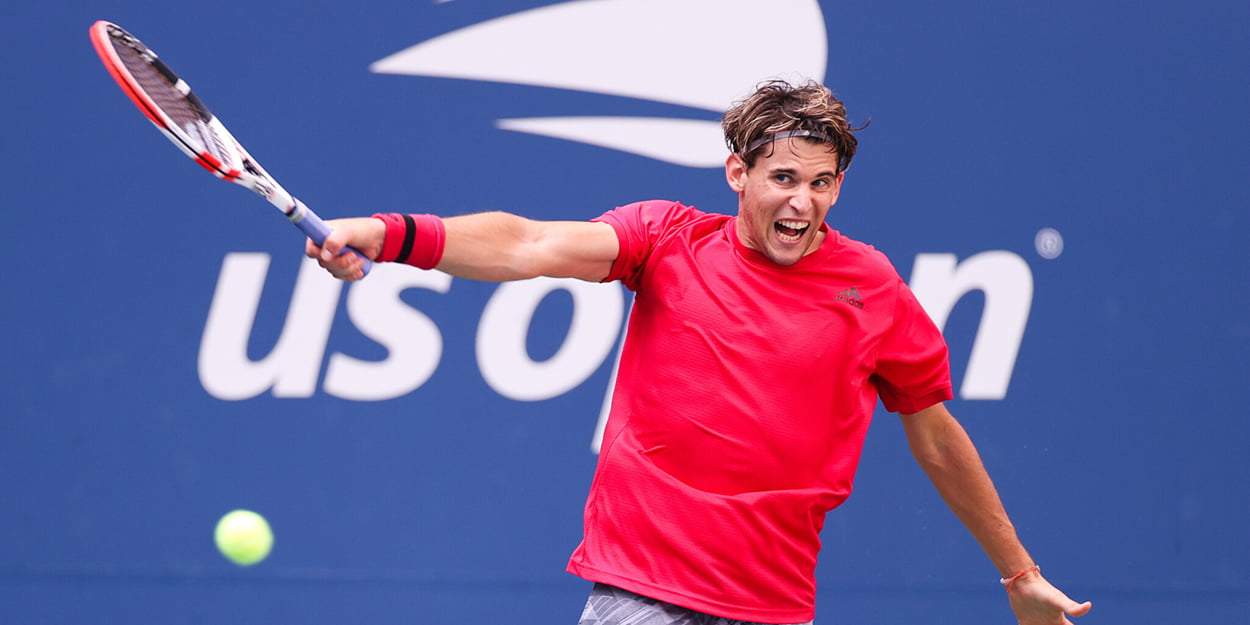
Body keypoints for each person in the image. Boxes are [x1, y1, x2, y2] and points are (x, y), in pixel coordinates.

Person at [307, 79, 1091, 625]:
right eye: (783, 177)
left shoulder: (872, 286)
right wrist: (386, 233)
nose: (802, 201)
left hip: (773, 599)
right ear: (737, 172)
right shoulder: (666, 239)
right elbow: (530, 243)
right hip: (641, 588)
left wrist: (1017, 570)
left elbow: (935, 431)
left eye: (822, 183)